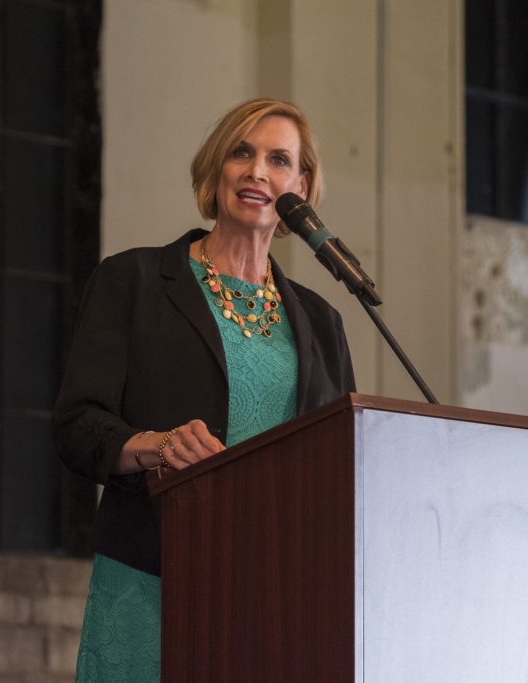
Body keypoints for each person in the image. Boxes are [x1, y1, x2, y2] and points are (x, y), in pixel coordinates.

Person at [52, 98, 356, 681]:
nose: (256, 172)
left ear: (302, 186)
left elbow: (336, 471)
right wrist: (155, 444)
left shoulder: (323, 324)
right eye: (242, 152)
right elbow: (76, 426)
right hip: (156, 578)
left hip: (278, 602)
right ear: (217, 169)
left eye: (278, 159)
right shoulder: (134, 281)